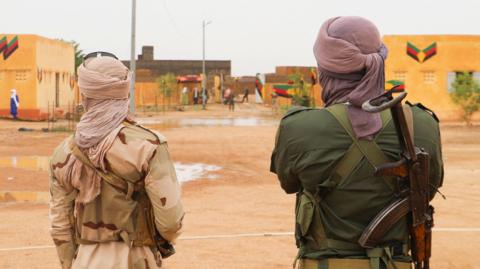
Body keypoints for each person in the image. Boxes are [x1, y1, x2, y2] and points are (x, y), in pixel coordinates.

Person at [270, 16, 443, 269]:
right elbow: (430, 186)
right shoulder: (422, 124)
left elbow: (289, 183)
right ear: (380, 61)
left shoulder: (298, 128)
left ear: (325, 70)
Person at [49, 52, 184, 269]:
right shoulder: (148, 146)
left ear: (85, 96)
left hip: (85, 260)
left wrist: (72, 264)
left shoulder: (63, 153)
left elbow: (60, 226)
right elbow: (171, 222)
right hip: (137, 259)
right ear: (124, 94)